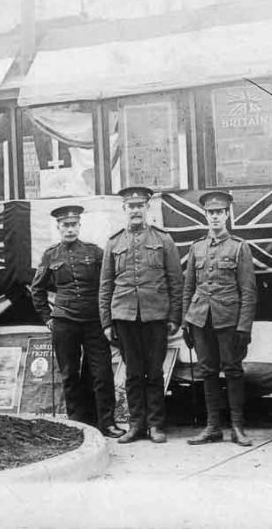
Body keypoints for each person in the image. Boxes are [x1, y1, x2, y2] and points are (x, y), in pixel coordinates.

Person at [31, 205, 125, 439]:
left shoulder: (94, 253)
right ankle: (78, 424)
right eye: (65, 225)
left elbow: (108, 284)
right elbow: (37, 290)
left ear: (79, 226)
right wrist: (48, 319)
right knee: (70, 375)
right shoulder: (50, 255)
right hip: (64, 322)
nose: (70, 229)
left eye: (74, 224)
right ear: (59, 227)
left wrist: (107, 317)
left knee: (101, 373)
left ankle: (107, 422)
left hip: (94, 321)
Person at [99, 186, 183, 444]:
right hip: (124, 316)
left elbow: (175, 281)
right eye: (130, 206)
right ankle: (136, 425)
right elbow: (106, 285)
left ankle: (156, 425)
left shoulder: (163, 240)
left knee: (155, 372)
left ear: (147, 208)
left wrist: (174, 317)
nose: (135, 211)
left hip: (155, 315)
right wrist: (106, 322)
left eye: (139, 206)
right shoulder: (113, 242)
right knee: (133, 373)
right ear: (124, 210)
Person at [181, 191, 257, 447]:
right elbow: (188, 288)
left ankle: (237, 427)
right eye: (210, 213)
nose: (214, 217)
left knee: (233, 371)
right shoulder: (196, 248)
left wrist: (244, 326)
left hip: (228, 320)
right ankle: (213, 426)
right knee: (207, 372)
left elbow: (248, 291)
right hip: (200, 319)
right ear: (205, 216)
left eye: (219, 212)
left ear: (227, 215)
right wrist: (185, 323)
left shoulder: (239, 247)